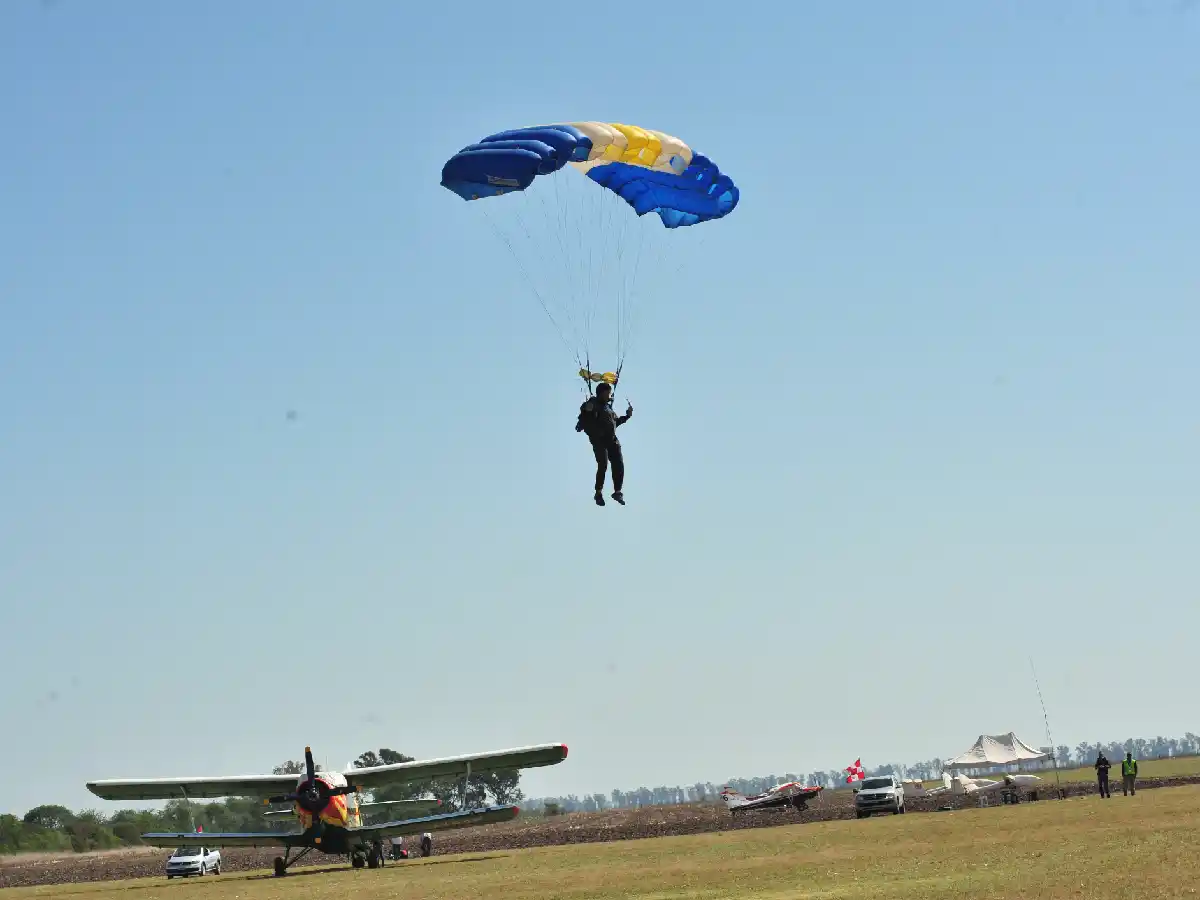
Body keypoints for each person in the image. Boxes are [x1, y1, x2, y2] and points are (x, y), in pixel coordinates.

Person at [575, 381, 633, 506]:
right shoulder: (593, 403)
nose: (609, 396)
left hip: (611, 440)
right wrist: (586, 409)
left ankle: (617, 492)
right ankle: (598, 493)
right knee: (603, 464)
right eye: (607, 393)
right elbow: (584, 410)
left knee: (618, 463)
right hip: (599, 440)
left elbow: (615, 422)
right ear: (601, 394)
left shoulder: (608, 408)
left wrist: (627, 417)